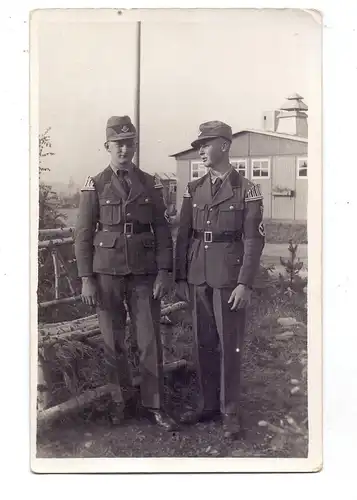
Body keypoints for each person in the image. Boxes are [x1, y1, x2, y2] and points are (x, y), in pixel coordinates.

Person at [74, 115, 179, 431]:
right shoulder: (95, 185)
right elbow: (82, 234)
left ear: (134, 146)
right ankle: (122, 404)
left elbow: (162, 229)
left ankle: (155, 405)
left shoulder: (150, 183)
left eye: (129, 143)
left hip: (145, 275)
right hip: (106, 275)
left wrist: (164, 272)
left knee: (149, 341)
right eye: (118, 144)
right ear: (107, 146)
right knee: (113, 341)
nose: (124, 149)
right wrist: (85, 279)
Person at [174, 120, 265, 439]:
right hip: (199, 274)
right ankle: (208, 404)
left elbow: (254, 240)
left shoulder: (246, 188)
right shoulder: (194, 188)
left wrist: (245, 282)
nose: (200, 150)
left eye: (206, 144)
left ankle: (229, 410)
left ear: (225, 146)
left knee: (229, 345)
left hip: (229, 277)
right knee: (204, 343)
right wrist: (181, 275)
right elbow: (183, 234)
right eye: (199, 145)